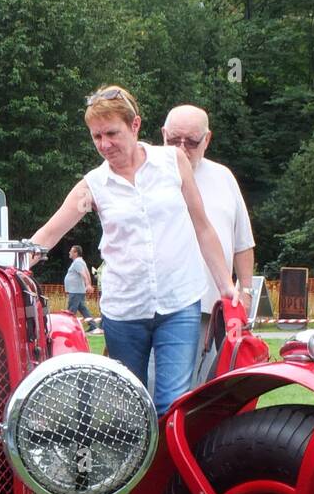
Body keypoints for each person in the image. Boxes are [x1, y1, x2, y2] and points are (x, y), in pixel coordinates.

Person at [32, 85, 236, 413]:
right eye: (96, 136)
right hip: (124, 311)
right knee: (129, 408)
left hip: (179, 303)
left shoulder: (173, 162)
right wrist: (11, 266)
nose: (105, 144)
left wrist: (226, 286)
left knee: (171, 404)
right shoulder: (93, 184)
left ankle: (171, 465)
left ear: (135, 125)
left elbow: (203, 227)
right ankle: (139, 466)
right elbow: (49, 233)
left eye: (112, 133)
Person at [162, 103, 255, 337]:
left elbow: (243, 243)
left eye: (191, 141)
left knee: (216, 373)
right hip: (163, 311)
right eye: (174, 140)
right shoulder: (147, 173)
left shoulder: (223, 177)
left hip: (215, 308)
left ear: (207, 139)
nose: (182, 148)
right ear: (163, 134)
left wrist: (246, 291)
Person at [63, 245, 99, 333]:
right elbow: (87, 273)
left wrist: (88, 285)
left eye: (71, 251)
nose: (69, 252)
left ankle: (69, 328)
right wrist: (89, 284)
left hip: (75, 291)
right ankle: (93, 326)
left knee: (71, 310)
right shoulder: (81, 261)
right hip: (78, 290)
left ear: (76, 253)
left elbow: (83, 274)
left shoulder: (77, 262)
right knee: (83, 309)